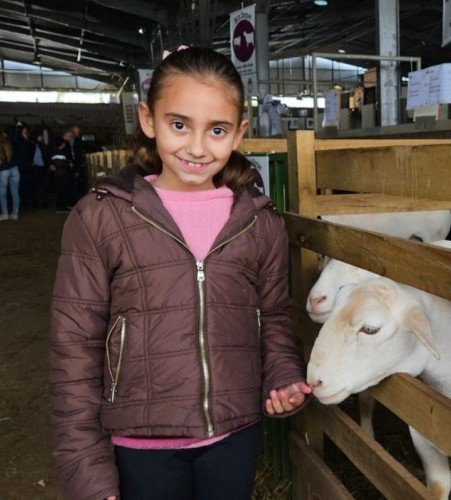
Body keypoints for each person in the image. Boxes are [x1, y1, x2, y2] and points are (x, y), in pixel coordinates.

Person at [50, 46, 311, 500]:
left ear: (238, 134)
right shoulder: (102, 217)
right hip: (139, 442)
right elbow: (74, 347)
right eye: (178, 124)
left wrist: (282, 374)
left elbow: (273, 316)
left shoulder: (259, 221)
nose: (195, 147)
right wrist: (86, 471)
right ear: (148, 120)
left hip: (234, 434)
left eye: (216, 130)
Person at [49, 136, 74, 213]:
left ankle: (64, 206)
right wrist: (68, 164)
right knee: (62, 190)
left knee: (62, 190)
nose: (64, 145)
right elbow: (60, 163)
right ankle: (62, 207)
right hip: (61, 174)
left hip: (60, 174)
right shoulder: (57, 152)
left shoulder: (56, 151)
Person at [0, 128, 21, 220]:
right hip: (15, 169)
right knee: (15, 192)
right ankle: (15, 214)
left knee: (2, 193)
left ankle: (5, 214)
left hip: (3, 171)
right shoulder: (10, 144)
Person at [31, 130, 49, 208]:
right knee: (36, 186)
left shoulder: (41, 145)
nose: (41, 137)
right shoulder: (32, 145)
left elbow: (45, 156)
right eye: (40, 136)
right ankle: (36, 203)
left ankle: (43, 202)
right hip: (36, 168)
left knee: (43, 186)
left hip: (42, 168)